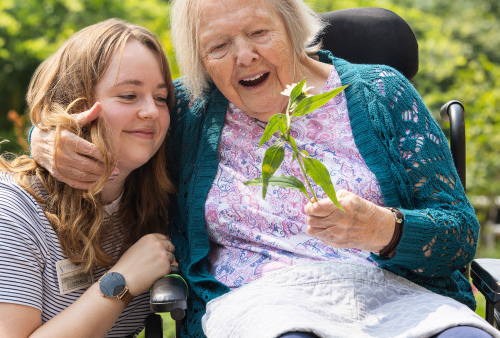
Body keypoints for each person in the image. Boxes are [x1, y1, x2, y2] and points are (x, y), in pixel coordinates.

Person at [30, 1, 499, 337]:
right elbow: (117, 118)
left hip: (403, 302)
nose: (244, 57)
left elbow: (458, 234)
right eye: (218, 46)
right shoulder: (188, 112)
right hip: (264, 310)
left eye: (258, 33)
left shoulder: (382, 94)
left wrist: (383, 228)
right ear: (201, 62)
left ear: (294, 28)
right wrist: (44, 140)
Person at [0, 19, 176, 337]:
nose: (151, 111)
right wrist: (121, 283)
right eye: (128, 95)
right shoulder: (8, 207)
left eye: (161, 97)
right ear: (76, 104)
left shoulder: (156, 198)